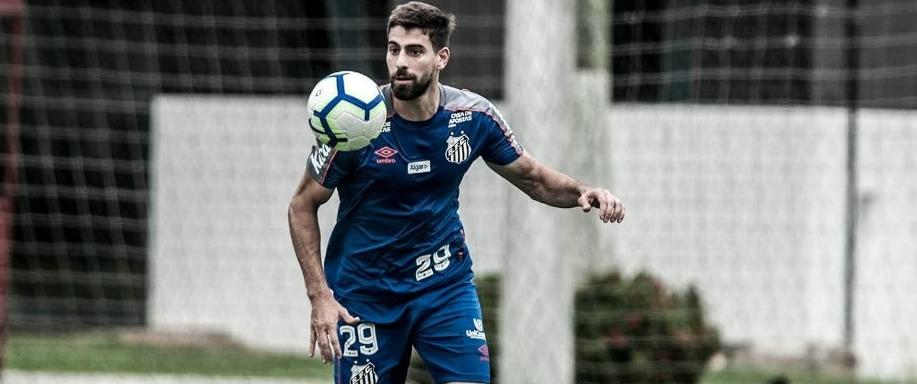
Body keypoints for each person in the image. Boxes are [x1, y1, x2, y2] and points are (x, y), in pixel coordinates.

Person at [288, 2, 625, 383]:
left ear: (441, 57)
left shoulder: (472, 116)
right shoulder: (354, 124)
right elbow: (302, 205)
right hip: (365, 295)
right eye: (393, 48)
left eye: (414, 51)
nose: (400, 61)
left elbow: (533, 178)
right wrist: (320, 296)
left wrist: (584, 190)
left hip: (443, 287)